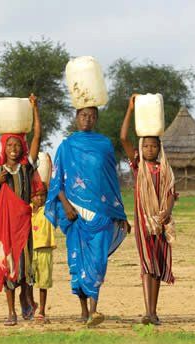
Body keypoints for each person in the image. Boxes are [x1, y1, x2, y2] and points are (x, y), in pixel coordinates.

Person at [45, 104, 129, 327]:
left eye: (92, 116)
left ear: (96, 119)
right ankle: (84, 310)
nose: (87, 119)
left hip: (101, 214)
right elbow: (56, 182)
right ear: (76, 117)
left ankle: (94, 310)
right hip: (75, 214)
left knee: (98, 263)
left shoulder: (104, 145)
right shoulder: (66, 146)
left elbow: (111, 181)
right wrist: (66, 206)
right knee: (77, 262)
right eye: (83, 115)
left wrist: (119, 211)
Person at [120, 94, 177, 326]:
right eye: (145, 145)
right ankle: (148, 312)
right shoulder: (138, 166)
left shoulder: (165, 169)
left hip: (161, 222)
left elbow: (172, 193)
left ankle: (153, 311)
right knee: (147, 265)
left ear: (159, 147)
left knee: (157, 265)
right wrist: (130, 108)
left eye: (153, 145)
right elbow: (124, 137)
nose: (149, 149)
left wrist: (167, 211)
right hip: (144, 221)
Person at [0, 94, 41, 326]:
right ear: (4, 147)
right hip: (5, 225)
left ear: (22, 147)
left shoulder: (27, 167)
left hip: (24, 224)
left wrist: (34, 108)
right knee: (7, 264)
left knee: (25, 266)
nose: (14, 148)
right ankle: (11, 312)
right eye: (10, 144)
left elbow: (38, 135)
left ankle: (25, 297)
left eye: (18, 144)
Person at [29, 163, 55, 325]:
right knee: (29, 282)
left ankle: (42, 311)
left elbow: (52, 193)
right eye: (36, 195)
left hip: (45, 249)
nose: (39, 198)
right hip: (30, 250)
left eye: (42, 195)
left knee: (43, 282)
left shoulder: (49, 209)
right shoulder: (27, 209)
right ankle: (31, 304)